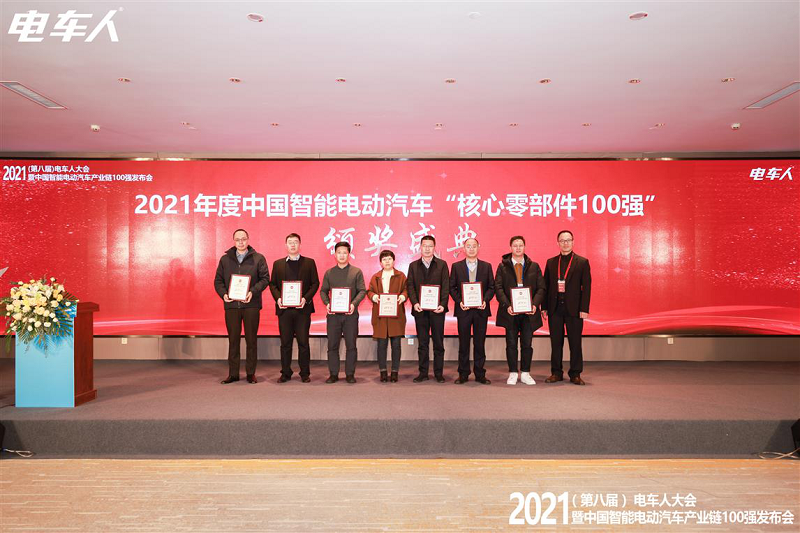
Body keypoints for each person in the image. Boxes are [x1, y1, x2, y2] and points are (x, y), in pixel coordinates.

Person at [213, 229, 270, 384]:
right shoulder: (225, 259)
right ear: (234, 241)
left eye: (243, 239)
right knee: (233, 340)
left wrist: (252, 291)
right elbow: (218, 281)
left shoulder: (258, 258)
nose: (241, 242)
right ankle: (233, 374)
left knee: (251, 340)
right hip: (232, 305)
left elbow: (265, 279)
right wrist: (224, 294)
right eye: (238, 239)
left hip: (251, 305)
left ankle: (251, 373)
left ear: (248, 239)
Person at [268, 233, 320, 383]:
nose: (292, 244)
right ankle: (285, 372)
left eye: (295, 242)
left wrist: (305, 299)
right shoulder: (278, 264)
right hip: (284, 310)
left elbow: (315, 283)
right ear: (286, 245)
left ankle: (305, 373)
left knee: (303, 342)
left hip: (302, 309)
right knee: (285, 343)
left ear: (300, 245)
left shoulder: (309, 262)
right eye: (290, 242)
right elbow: (273, 284)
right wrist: (278, 299)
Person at [543, 230, 592, 385]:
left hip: (575, 310)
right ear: (557, 243)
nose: (565, 243)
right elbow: (546, 286)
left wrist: (584, 309)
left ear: (573, 242)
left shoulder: (582, 262)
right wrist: (544, 307)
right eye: (562, 240)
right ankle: (556, 372)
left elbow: (587, 288)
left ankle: (575, 373)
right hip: (555, 309)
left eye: (568, 240)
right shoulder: (551, 262)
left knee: (575, 342)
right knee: (556, 343)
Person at [494, 235, 545, 386]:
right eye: (515, 245)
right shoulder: (502, 266)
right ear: (510, 248)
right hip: (510, 312)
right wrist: (507, 305)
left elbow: (541, 288)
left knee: (527, 344)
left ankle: (525, 372)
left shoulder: (534, 266)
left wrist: (534, 305)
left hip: (529, 313)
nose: (518, 248)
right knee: (511, 343)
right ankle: (513, 373)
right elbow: (498, 288)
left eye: (520, 245)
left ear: (524, 247)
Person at [448, 237, 494, 384]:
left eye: (474, 246)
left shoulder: (486, 266)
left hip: (481, 310)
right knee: (464, 343)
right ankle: (463, 373)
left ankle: (480, 374)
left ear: (478, 247)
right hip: (464, 310)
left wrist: (485, 300)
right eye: (468, 246)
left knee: (480, 343)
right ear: (464, 248)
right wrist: (459, 301)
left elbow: (491, 287)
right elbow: (452, 287)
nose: (471, 249)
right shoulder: (456, 266)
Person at [320, 242, 366, 383]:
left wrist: (353, 304)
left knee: (351, 345)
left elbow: (362, 291)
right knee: (332, 345)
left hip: (350, 315)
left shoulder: (356, 272)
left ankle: (350, 374)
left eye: (345, 252)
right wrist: (327, 304)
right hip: (333, 316)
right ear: (335, 254)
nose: (342, 255)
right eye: (339, 252)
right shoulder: (329, 273)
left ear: (349, 254)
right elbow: (323, 291)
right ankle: (333, 374)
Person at [406, 235, 450, 383]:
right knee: (422, 343)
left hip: (437, 310)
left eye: (430, 246)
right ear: (420, 247)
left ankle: (438, 373)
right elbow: (410, 286)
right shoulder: (413, 266)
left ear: (434, 247)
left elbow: (446, 286)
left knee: (438, 343)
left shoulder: (442, 265)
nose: (427, 249)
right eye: (424, 246)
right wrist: (414, 303)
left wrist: (443, 304)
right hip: (420, 310)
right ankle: (423, 373)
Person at [367, 250, 408, 383]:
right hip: (380, 315)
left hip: (396, 315)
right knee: (381, 345)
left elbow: (406, 289)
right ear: (380, 262)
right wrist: (374, 296)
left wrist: (403, 297)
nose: (387, 261)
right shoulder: (376, 277)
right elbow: (369, 291)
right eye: (384, 259)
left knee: (396, 345)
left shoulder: (401, 276)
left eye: (389, 259)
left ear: (394, 261)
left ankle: (395, 372)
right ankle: (383, 372)